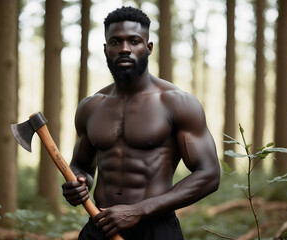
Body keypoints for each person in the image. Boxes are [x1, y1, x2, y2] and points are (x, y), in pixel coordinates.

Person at [62, 6, 220, 240]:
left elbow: (209, 174)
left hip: (156, 229)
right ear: (106, 49)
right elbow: (81, 165)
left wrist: (139, 209)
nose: (124, 49)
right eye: (115, 42)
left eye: (133, 41)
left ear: (148, 47)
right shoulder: (91, 107)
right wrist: (78, 183)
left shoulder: (176, 103)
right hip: (100, 227)